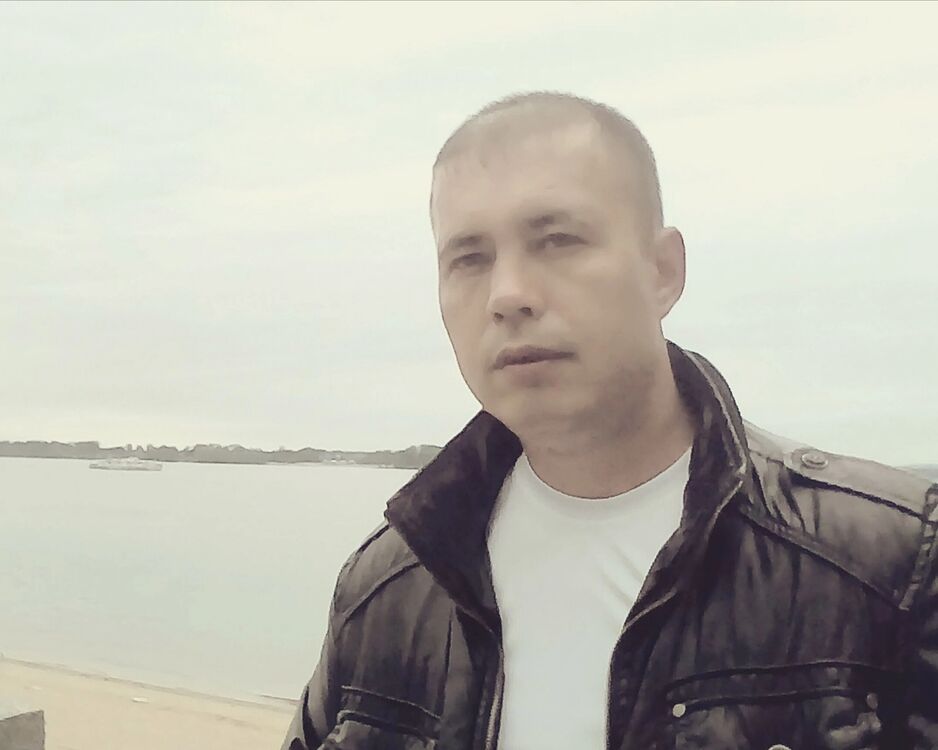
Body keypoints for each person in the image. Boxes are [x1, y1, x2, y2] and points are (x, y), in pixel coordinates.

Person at [281, 91, 937, 750]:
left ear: (663, 272)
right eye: (469, 259)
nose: (508, 295)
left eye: (557, 240)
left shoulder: (891, 564)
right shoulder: (387, 589)